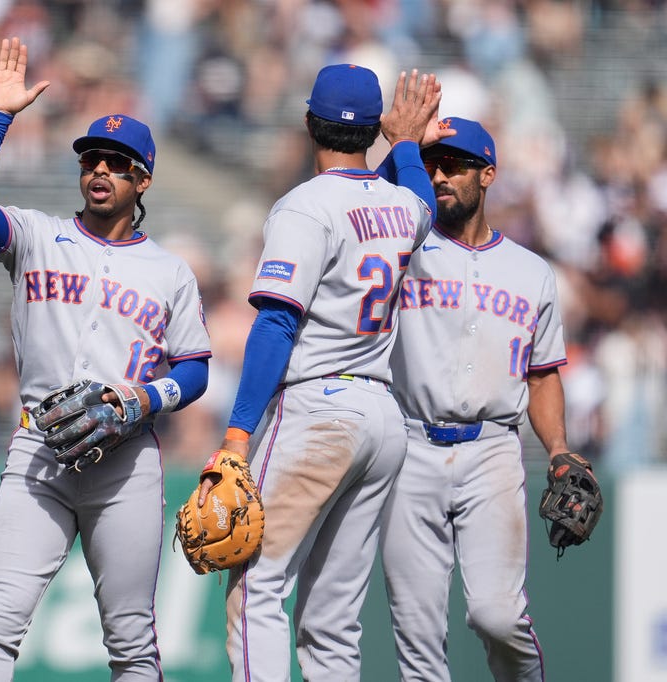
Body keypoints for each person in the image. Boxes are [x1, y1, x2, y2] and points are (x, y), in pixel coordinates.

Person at [0, 38, 212, 680]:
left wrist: (144, 398)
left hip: (126, 463)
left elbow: (194, 369)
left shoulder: (170, 271)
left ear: (143, 180)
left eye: (118, 163)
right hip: (38, 450)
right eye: (92, 158)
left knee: (132, 644)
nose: (100, 169)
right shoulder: (37, 235)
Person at [194, 64, 444, 680]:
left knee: (256, 587)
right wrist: (406, 145)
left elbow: (277, 323)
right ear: (375, 130)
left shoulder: (303, 207)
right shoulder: (403, 206)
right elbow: (421, 200)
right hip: (382, 418)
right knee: (333, 619)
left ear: (309, 123)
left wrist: (237, 435)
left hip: (318, 410)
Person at [380, 117, 568, 681]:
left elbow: (542, 375)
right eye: (431, 165)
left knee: (498, 616)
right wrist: (401, 143)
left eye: (454, 166)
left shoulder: (531, 271)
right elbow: (367, 200)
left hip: (492, 450)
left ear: (487, 174)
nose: (439, 176)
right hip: (410, 444)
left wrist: (559, 449)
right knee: (417, 633)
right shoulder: (402, 249)